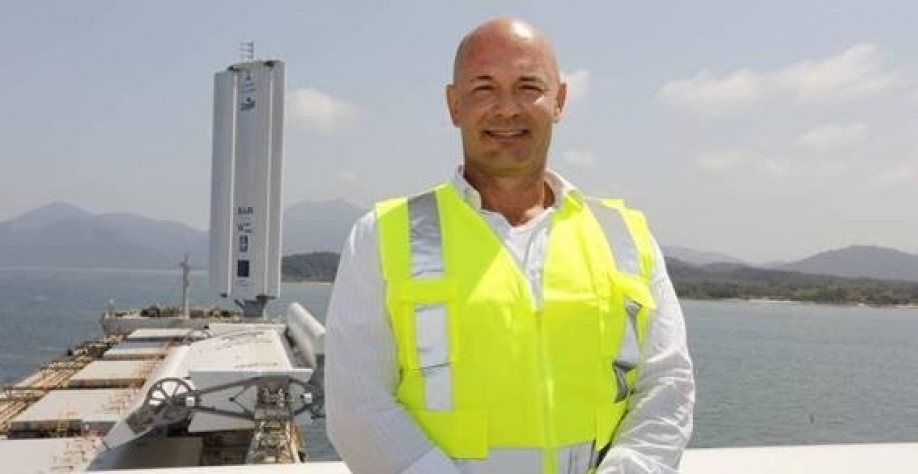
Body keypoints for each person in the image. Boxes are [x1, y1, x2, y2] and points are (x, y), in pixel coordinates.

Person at [325, 17, 694, 474]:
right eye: (483, 88)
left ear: (558, 101)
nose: (506, 109)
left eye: (527, 86)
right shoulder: (381, 237)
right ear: (453, 104)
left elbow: (667, 384)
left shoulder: (624, 235)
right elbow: (358, 407)